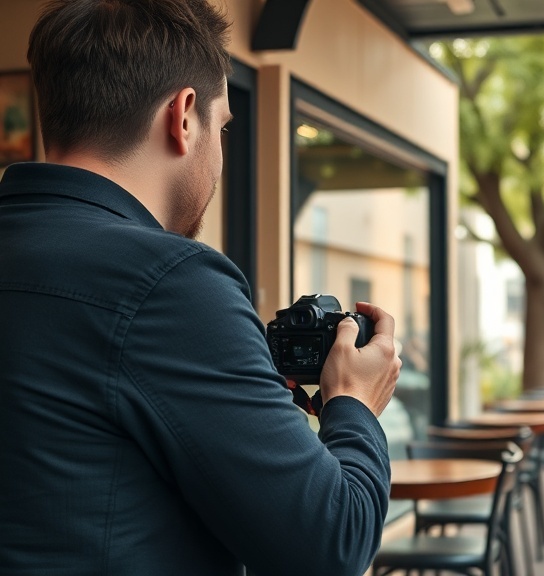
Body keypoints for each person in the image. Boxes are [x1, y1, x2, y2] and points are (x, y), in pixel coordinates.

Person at [0, 2, 401, 575]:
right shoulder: (171, 282)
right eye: (226, 126)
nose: (219, 153)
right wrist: (355, 404)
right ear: (184, 116)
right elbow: (331, 544)